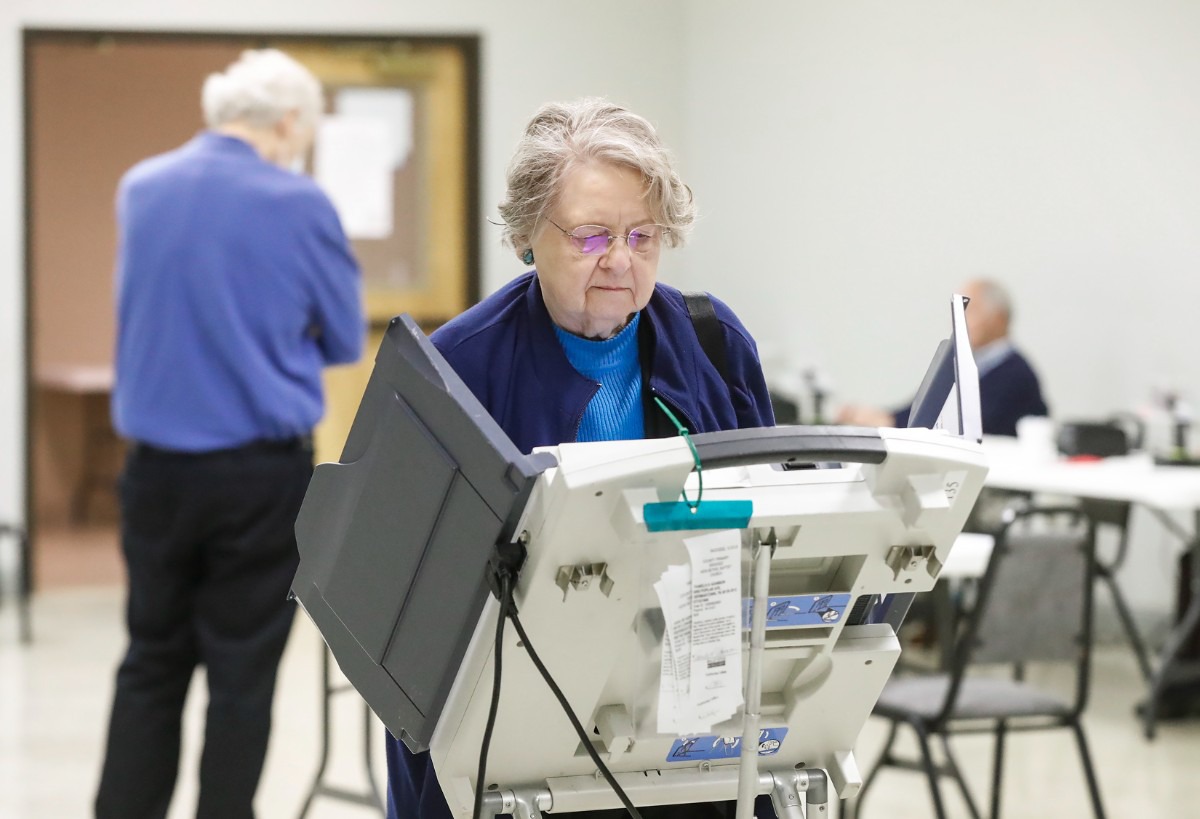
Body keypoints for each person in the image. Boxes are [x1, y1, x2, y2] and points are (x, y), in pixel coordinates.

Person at [384, 98, 776, 819]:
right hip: (519, 734)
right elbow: (403, 615)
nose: (620, 260)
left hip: (685, 717)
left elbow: (770, 528)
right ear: (529, 234)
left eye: (642, 235)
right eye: (593, 235)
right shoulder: (456, 371)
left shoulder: (716, 345)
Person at [96, 49, 364, 819]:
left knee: (151, 659)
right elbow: (345, 339)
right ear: (288, 123)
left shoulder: (140, 188)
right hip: (257, 475)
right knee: (241, 674)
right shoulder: (299, 202)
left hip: (154, 474)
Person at [836, 278, 1049, 436]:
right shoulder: (962, 366)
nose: (959, 321)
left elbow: (966, 423)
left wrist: (890, 422)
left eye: (970, 311)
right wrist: (882, 417)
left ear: (998, 319)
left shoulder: (1016, 374)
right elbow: (925, 406)